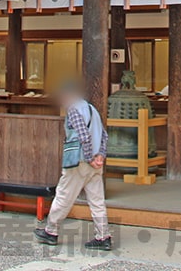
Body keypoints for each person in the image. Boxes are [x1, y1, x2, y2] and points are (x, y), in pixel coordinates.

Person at [34, 79, 111, 251]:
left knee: (63, 195)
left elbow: (83, 135)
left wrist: (90, 157)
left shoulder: (74, 109)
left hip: (79, 161)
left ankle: (51, 231)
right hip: (95, 164)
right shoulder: (92, 109)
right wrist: (100, 156)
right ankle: (103, 236)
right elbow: (104, 135)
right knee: (97, 200)